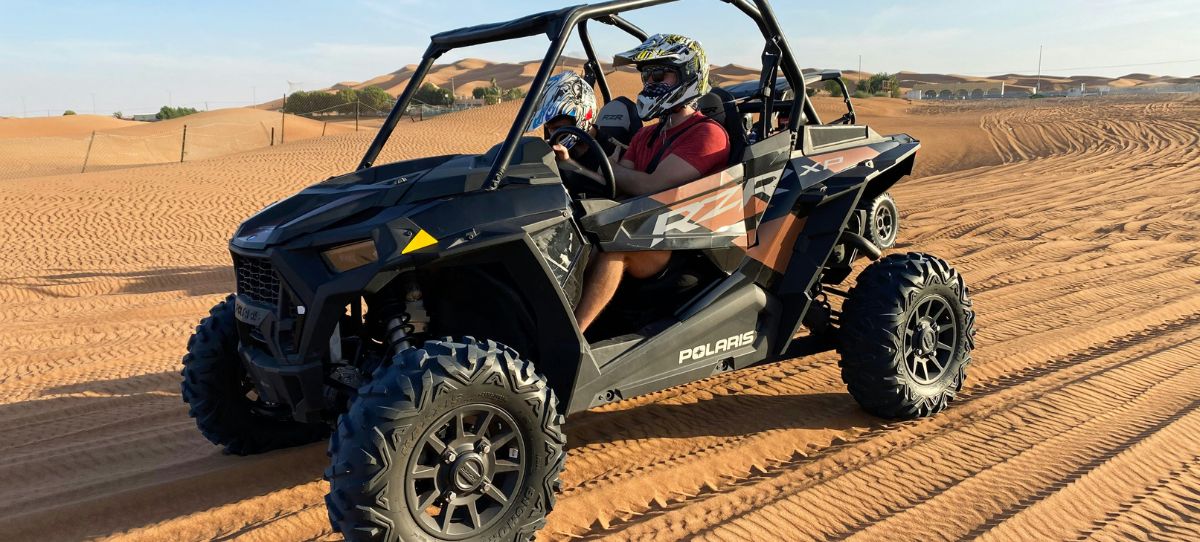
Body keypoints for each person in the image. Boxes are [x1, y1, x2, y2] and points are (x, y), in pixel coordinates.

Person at [560, 34, 730, 334]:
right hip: (645, 226)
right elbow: (617, 186)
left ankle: (572, 337)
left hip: (684, 240)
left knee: (615, 246)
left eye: (659, 74)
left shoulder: (707, 134)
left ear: (688, 74)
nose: (649, 83)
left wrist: (612, 168)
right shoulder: (646, 135)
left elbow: (652, 186)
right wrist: (568, 165)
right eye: (646, 75)